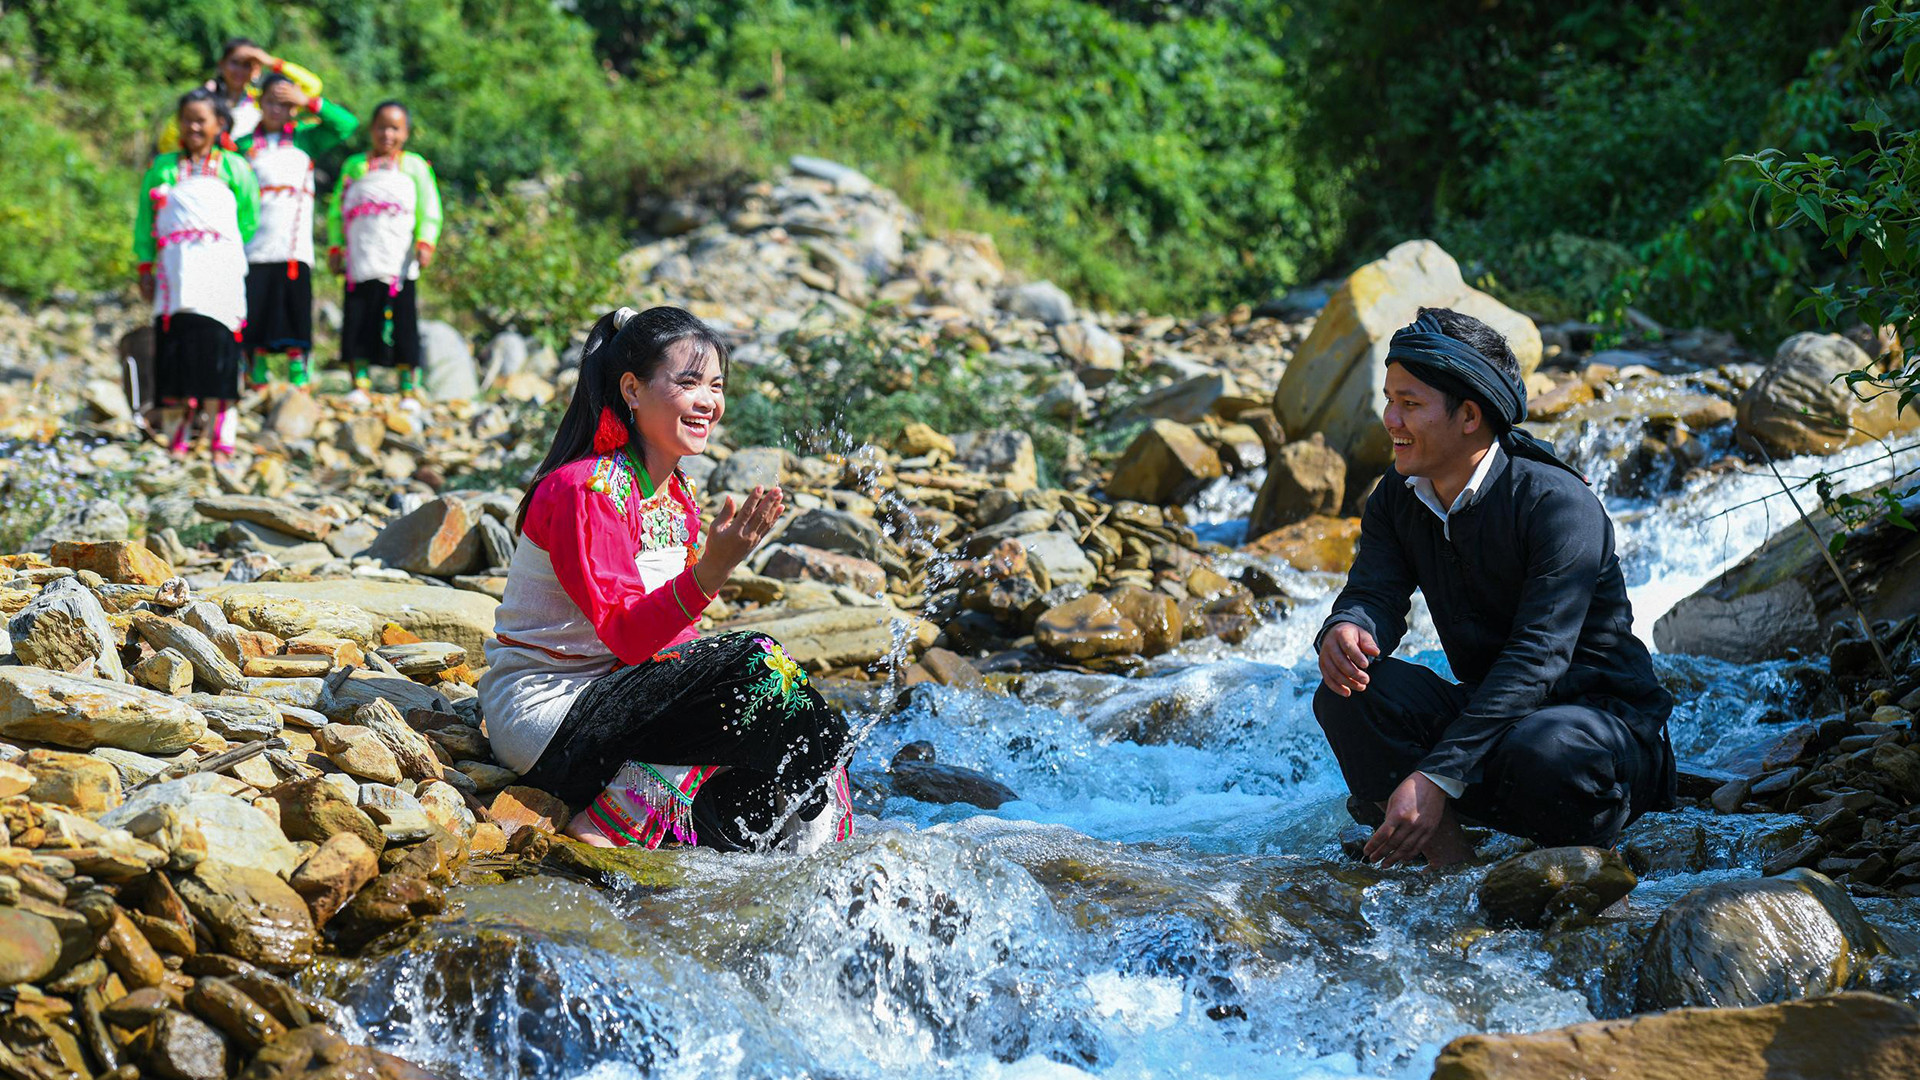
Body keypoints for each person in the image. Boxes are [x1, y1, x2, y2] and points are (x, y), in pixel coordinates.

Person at [478, 306, 855, 854]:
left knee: (797, 736)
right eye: (689, 382)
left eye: (716, 385)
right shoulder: (588, 491)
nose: (708, 401)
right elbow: (627, 637)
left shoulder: (676, 495)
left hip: (624, 705)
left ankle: (829, 863)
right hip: (547, 716)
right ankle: (607, 822)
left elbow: (672, 646)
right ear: (631, 389)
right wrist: (713, 570)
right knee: (758, 662)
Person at [1312, 307, 1675, 869]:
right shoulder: (1398, 495)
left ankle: (1559, 869)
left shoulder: (1557, 505)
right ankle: (1449, 868)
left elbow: (1537, 659)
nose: (1390, 418)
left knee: (1545, 748)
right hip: (1497, 725)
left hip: (1599, 738)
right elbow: (1375, 593)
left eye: (1410, 404)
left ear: (1469, 416)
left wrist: (1439, 773)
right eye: (1389, 399)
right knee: (1353, 693)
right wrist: (1347, 627)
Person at [134, 89, 260, 464]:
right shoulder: (163, 168)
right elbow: (146, 220)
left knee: (218, 350)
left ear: (219, 124)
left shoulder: (236, 168)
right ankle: (178, 436)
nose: (192, 127)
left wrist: (215, 244)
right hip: (175, 274)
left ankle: (222, 439)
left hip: (219, 275)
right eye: (186, 118)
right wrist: (145, 265)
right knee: (176, 351)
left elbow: (249, 219)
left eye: (200, 119)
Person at [236, 74, 359, 389]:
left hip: (292, 246)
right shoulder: (244, 145)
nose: (277, 109)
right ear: (260, 103)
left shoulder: (306, 138)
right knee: (254, 308)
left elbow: (346, 125)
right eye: (271, 102)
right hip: (253, 243)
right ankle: (256, 372)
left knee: (295, 310)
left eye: (285, 103)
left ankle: (298, 372)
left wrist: (309, 102)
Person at [325, 101, 441, 405]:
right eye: (381, 127)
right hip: (362, 256)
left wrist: (425, 241)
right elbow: (339, 209)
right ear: (371, 129)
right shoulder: (354, 166)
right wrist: (336, 246)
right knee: (358, 318)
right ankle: (359, 383)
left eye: (395, 128)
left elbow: (429, 206)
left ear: (406, 132)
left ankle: (408, 386)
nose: (387, 134)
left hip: (398, 259)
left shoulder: (414, 165)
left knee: (403, 322)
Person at [158, 39, 324, 153]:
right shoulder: (204, 101)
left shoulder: (263, 102)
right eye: (235, 62)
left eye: (247, 65)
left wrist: (270, 61)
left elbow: (313, 87)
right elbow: (168, 140)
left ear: (257, 70)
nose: (240, 71)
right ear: (221, 64)